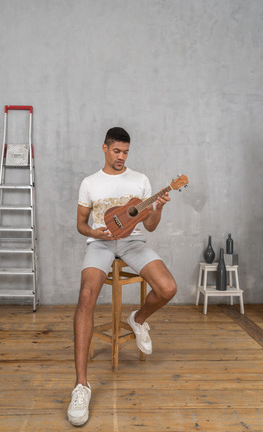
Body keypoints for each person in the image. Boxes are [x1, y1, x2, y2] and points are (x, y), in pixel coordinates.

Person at [67, 127, 177, 426]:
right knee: (87, 295)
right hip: (100, 242)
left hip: (133, 242)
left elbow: (150, 226)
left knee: (168, 288)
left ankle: (138, 319)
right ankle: (81, 386)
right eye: (117, 151)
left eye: (126, 152)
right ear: (105, 148)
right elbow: (80, 224)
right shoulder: (90, 182)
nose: (121, 157)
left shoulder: (140, 180)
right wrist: (94, 232)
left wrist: (159, 208)